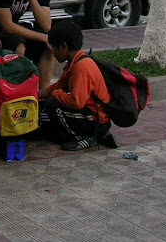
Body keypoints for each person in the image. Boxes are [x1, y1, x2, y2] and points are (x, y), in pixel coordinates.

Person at [38, 21, 117, 151]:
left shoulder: (82, 68)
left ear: (63, 47)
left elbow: (76, 102)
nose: (51, 52)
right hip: (87, 114)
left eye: (53, 47)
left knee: (53, 104)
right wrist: (33, 96)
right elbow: (56, 87)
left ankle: (86, 137)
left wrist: (56, 95)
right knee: (45, 109)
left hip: (96, 120)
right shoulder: (73, 62)